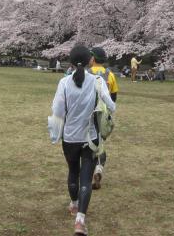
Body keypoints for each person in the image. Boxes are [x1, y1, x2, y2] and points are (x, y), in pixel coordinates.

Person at [52, 45, 115, 235]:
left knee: (73, 171)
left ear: (70, 62)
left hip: (70, 137)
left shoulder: (63, 83)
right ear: (90, 61)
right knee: (86, 177)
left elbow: (57, 112)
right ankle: (80, 221)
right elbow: (111, 106)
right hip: (90, 138)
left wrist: (57, 131)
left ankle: (73, 204)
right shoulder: (97, 81)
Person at [89, 47, 119, 190]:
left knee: (88, 142)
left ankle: (89, 170)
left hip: (88, 113)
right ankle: (99, 169)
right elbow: (113, 96)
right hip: (104, 115)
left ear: (93, 59)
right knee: (101, 143)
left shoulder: (86, 74)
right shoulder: (110, 75)